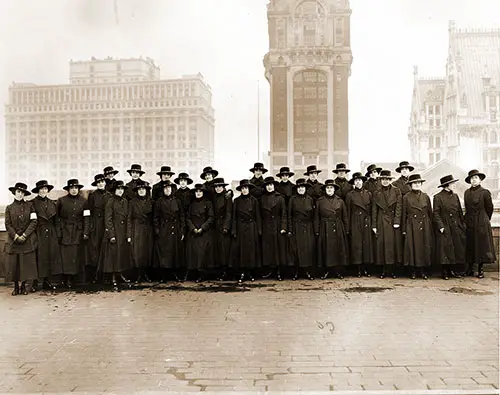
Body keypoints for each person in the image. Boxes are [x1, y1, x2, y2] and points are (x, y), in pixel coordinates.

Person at [55, 179, 90, 288]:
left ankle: (77, 279)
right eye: (72, 188)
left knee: (77, 255)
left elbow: (87, 218)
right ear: (68, 189)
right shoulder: (61, 201)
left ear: (78, 189)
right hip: (65, 231)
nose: (74, 190)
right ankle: (67, 279)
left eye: (76, 188)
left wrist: (86, 231)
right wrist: (59, 232)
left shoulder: (84, 201)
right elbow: (57, 218)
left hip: (78, 232)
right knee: (66, 256)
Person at [4, 182, 38, 296]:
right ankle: (16, 287)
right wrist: (15, 236)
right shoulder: (9, 208)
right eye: (18, 192)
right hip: (14, 241)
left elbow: (34, 221)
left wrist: (25, 235)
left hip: (26, 240)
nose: (20, 194)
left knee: (25, 264)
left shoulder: (30, 206)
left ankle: (23, 287)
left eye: (22, 192)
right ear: (14, 193)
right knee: (14, 265)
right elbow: (8, 224)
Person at [464, 169, 496, 278]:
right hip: (470, 221)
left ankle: (480, 269)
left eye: (476, 178)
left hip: (482, 221)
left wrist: (485, 219)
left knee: (481, 245)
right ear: (470, 181)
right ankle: (470, 268)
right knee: (470, 244)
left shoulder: (485, 192)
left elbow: (489, 208)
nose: (474, 180)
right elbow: (467, 208)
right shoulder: (466, 193)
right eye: (472, 178)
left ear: (480, 180)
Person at [433, 175, 465, 279]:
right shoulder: (437, 197)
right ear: (446, 185)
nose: (453, 185)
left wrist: (462, 225)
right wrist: (440, 226)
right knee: (445, 249)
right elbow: (436, 213)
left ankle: (452, 270)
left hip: (455, 225)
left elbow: (460, 211)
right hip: (445, 225)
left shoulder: (455, 196)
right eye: (452, 183)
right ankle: (445, 271)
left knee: (455, 248)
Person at [402, 174, 434, 279]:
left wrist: (431, 226)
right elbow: (403, 214)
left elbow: (430, 212)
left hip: (425, 224)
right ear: (410, 185)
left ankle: (422, 271)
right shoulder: (406, 197)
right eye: (414, 183)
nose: (417, 185)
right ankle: (413, 271)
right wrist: (404, 229)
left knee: (424, 247)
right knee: (412, 248)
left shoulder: (425, 196)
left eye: (419, 183)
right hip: (411, 225)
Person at [315, 179, 349, 279]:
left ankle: (337, 271)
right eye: (328, 188)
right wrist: (316, 230)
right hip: (325, 227)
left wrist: (346, 229)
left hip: (338, 227)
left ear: (334, 190)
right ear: (325, 189)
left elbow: (345, 216)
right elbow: (316, 217)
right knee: (326, 249)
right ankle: (327, 271)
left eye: (331, 188)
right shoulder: (320, 201)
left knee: (337, 249)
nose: (329, 189)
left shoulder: (340, 201)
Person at [371, 170, 402, 278]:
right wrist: (374, 225)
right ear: (380, 180)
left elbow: (399, 207)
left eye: (387, 179)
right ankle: (383, 270)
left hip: (393, 221)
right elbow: (374, 209)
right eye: (383, 179)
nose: (385, 181)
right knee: (382, 245)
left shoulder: (396, 191)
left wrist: (397, 221)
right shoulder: (376, 192)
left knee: (392, 245)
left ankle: (392, 270)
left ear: (390, 180)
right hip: (381, 220)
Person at [153, 180, 186, 282]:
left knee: (174, 252)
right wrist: (158, 230)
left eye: (169, 188)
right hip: (164, 229)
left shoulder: (177, 201)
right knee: (164, 253)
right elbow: (155, 218)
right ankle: (164, 276)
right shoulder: (159, 202)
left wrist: (182, 230)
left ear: (172, 189)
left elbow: (182, 216)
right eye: (165, 188)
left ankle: (174, 274)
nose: (167, 190)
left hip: (175, 229)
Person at [101, 181, 131, 290]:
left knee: (121, 255)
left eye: (122, 189)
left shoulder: (125, 201)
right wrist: (111, 235)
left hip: (122, 232)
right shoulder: (110, 201)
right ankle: (113, 277)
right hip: (114, 231)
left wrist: (128, 234)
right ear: (114, 190)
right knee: (114, 255)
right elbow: (108, 219)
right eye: (118, 189)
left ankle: (120, 275)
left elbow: (128, 219)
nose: (120, 191)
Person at [231, 179, 262, 283]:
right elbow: (234, 217)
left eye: (246, 188)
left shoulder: (254, 201)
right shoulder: (236, 201)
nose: (244, 190)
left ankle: (250, 272)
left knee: (251, 250)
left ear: (249, 189)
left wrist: (259, 230)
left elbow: (258, 216)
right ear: (240, 190)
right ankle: (242, 272)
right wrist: (234, 230)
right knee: (241, 250)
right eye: (243, 188)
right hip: (240, 228)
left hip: (251, 227)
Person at [31, 180, 59, 291]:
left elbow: (57, 220)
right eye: (41, 189)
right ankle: (35, 282)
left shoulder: (52, 203)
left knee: (49, 256)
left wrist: (57, 234)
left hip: (51, 232)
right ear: (38, 190)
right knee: (38, 256)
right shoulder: (32, 203)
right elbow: (32, 220)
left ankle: (47, 281)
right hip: (39, 231)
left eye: (45, 189)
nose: (43, 191)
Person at [345, 172, 373, 277]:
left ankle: (366, 268)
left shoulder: (368, 194)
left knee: (366, 245)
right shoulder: (349, 195)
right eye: (356, 181)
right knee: (357, 245)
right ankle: (358, 269)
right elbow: (347, 212)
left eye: (360, 180)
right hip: (355, 220)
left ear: (363, 182)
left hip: (366, 221)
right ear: (354, 183)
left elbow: (370, 210)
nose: (358, 182)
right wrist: (348, 227)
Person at [287, 178, 316, 280]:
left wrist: (313, 228)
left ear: (305, 188)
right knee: (296, 250)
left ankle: (307, 271)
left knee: (307, 249)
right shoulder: (292, 199)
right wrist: (290, 229)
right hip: (296, 227)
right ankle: (296, 272)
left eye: (303, 187)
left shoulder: (310, 199)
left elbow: (313, 216)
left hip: (307, 227)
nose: (301, 189)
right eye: (299, 187)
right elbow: (289, 215)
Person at [185, 184, 215, 282]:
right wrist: (193, 228)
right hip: (193, 232)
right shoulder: (192, 205)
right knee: (192, 252)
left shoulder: (208, 203)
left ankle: (203, 273)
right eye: (196, 192)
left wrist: (202, 228)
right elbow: (188, 218)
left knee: (202, 253)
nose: (198, 193)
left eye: (200, 191)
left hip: (204, 232)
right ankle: (194, 272)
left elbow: (211, 217)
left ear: (203, 193)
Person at [260, 176, 287, 281]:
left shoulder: (280, 198)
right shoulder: (262, 198)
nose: (269, 187)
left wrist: (283, 227)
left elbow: (284, 213)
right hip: (266, 225)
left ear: (274, 186)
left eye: (271, 185)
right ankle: (270, 270)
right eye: (267, 185)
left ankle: (279, 271)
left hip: (277, 225)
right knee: (269, 249)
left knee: (278, 249)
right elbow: (260, 214)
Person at [128, 180, 154, 283]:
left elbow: (154, 217)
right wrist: (129, 234)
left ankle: (145, 274)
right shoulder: (132, 202)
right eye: (140, 189)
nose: (142, 191)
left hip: (148, 229)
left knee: (147, 252)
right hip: (137, 229)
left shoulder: (151, 202)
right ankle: (139, 274)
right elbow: (129, 218)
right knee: (137, 252)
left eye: (143, 189)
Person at [87, 174, 110, 283]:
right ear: (96, 184)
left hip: (106, 224)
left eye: (102, 182)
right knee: (95, 249)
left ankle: (105, 275)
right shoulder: (92, 196)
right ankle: (95, 276)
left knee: (106, 249)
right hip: (96, 225)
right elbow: (89, 212)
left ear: (105, 183)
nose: (101, 184)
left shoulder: (109, 196)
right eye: (98, 182)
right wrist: (91, 226)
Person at [212, 178, 233, 281]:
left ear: (224, 187)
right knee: (218, 249)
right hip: (215, 225)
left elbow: (229, 213)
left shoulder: (227, 197)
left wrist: (226, 226)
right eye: (216, 187)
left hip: (224, 225)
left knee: (225, 249)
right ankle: (220, 271)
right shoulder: (214, 197)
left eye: (220, 186)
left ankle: (226, 271)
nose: (218, 188)